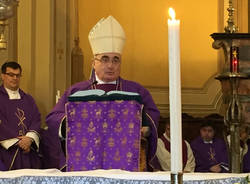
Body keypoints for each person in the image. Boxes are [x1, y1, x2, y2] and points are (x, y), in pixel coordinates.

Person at [45, 15, 160, 171]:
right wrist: (71, 121)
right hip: (85, 161)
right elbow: (53, 119)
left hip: (127, 161)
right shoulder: (76, 91)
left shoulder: (137, 90)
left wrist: (143, 126)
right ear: (94, 62)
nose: (111, 65)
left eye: (115, 60)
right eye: (105, 59)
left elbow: (152, 117)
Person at [0, 61, 41, 170]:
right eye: (11, 75)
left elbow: (36, 119)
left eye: (17, 75)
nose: (15, 78)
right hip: (6, 150)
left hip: (28, 149)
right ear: (3, 76)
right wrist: (19, 141)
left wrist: (29, 139)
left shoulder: (28, 99)